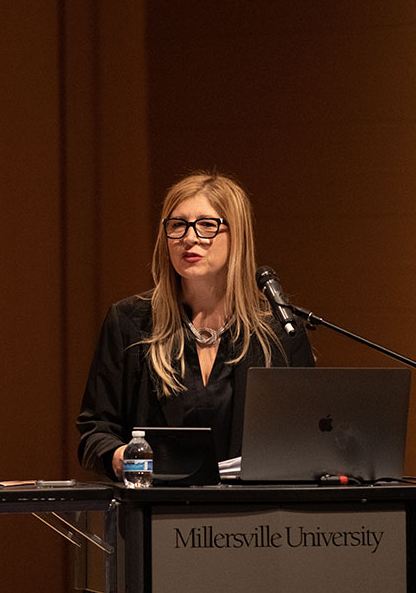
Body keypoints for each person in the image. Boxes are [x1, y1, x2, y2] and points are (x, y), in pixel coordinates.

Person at [77, 171, 314, 479]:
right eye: (177, 225)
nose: (189, 238)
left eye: (206, 225)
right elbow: (95, 431)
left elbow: (309, 437)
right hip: (156, 509)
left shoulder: (281, 331)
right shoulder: (130, 322)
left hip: (256, 516)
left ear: (237, 235)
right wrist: (119, 455)